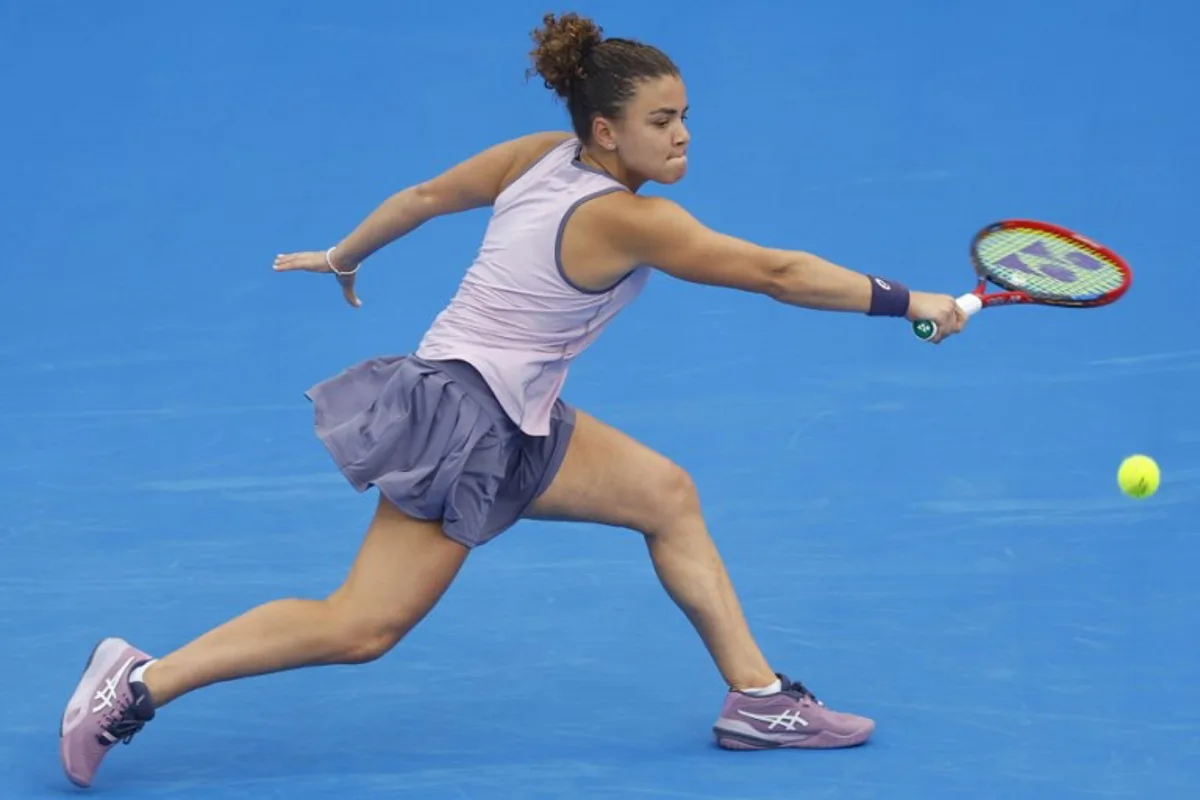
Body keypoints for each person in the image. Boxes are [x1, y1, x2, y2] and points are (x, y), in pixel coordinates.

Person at [58, 11, 967, 789]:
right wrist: (906, 300)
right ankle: (138, 682)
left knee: (667, 496)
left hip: (510, 411)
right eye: (662, 120)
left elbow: (421, 196)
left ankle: (759, 702)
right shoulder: (631, 217)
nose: (684, 134)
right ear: (607, 132)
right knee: (362, 626)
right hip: (465, 420)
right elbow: (776, 273)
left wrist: (346, 254)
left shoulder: (539, 158)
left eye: (686, 115)